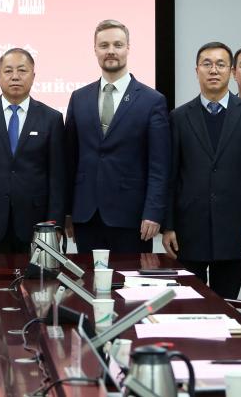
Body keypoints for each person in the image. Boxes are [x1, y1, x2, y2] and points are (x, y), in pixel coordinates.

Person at [165, 41, 241, 299]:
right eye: (207, 64)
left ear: (230, 71)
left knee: (227, 304)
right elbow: (171, 176)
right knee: (189, 304)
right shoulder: (179, 117)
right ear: (196, 70)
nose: (213, 70)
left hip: (234, 229)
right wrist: (168, 226)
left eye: (220, 64)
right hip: (189, 230)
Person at [64, 19, 169, 253]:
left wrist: (153, 212)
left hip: (132, 217)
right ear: (95, 50)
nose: (111, 51)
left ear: (128, 48)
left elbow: (159, 165)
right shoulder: (79, 98)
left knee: (128, 277)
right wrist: (68, 211)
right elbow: (70, 160)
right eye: (104, 45)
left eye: (118, 45)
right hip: (87, 216)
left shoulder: (152, 101)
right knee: (87, 277)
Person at [0, 48, 66, 253]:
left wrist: (55, 222)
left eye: (22, 70)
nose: (15, 76)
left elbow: (57, 177)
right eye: (8, 71)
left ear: (33, 76)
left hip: (37, 223)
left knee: (36, 275)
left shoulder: (51, 118)